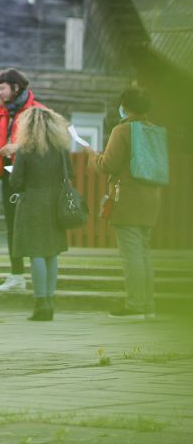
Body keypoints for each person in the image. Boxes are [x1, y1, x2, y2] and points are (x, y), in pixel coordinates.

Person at [86, 88, 162, 320]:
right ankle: (148, 304)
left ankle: (135, 304)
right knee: (144, 253)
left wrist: (92, 156)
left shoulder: (123, 130)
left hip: (127, 199)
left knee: (131, 255)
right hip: (151, 198)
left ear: (125, 107)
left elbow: (108, 165)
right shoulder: (156, 132)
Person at [9, 107, 71, 321]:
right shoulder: (60, 149)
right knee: (51, 253)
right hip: (55, 203)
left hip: (32, 203)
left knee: (36, 252)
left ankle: (40, 302)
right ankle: (50, 301)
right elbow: (68, 174)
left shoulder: (25, 149)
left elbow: (15, 181)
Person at [0, 68, 44, 292]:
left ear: (15, 88)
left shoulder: (37, 111)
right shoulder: (0, 113)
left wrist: (19, 147)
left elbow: (46, 142)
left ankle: (39, 275)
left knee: (33, 225)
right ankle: (17, 275)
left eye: (1, 88)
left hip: (32, 178)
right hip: (8, 174)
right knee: (12, 226)